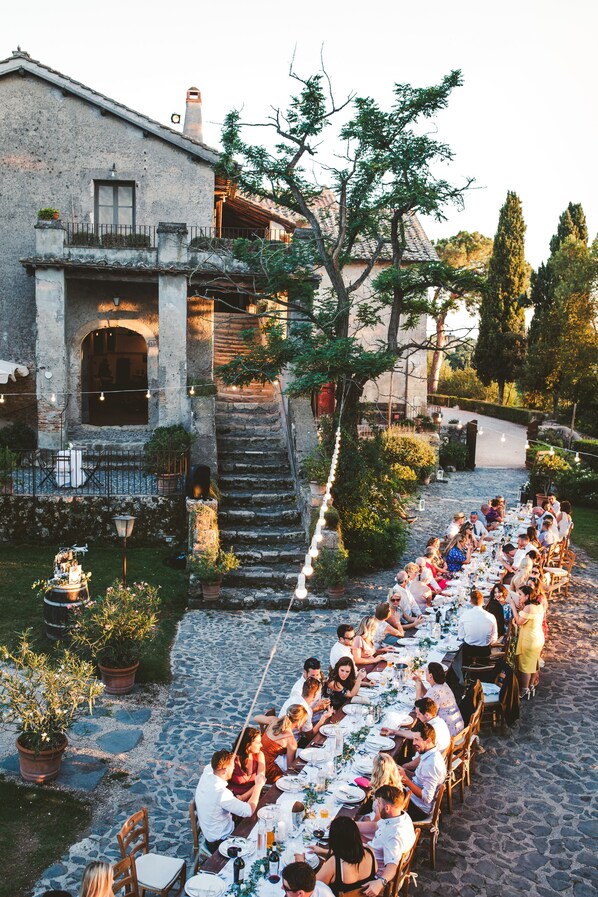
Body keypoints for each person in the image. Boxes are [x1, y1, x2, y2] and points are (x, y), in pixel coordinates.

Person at [195, 749, 265, 851]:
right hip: (221, 841)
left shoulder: (208, 773)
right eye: (232, 766)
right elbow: (249, 810)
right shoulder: (221, 793)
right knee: (259, 831)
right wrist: (258, 786)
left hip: (211, 832)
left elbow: (211, 766)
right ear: (224, 770)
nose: (234, 768)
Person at [356, 785, 416, 894]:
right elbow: (375, 826)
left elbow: (392, 866)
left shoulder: (394, 836)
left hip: (371, 871)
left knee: (335, 863)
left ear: (387, 808)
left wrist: (380, 882)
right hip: (370, 851)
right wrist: (350, 825)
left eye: (378, 803)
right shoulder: (401, 816)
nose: (376, 806)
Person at [316, 816, 377, 897]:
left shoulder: (334, 863)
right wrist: (322, 851)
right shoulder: (370, 852)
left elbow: (313, 887)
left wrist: (301, 862)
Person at [398, 724, 447, 821]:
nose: (413, 743)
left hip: (418, 809)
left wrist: (405, 779)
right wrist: (404, 772)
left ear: (428, 740)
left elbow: (427, 797)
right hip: (412, 797)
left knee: (380, 796)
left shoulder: (431, 765)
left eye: (417, 739)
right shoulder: (431, 754)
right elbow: (420, 779)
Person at [255, 705, 308, 782]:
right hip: (266, 770)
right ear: (299, 722)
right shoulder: (291, 741)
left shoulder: (273, 720)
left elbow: (256, 717)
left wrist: (263, 729)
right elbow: (289, 767)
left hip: (256, 759)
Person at [509, 587, 545, 699]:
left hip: (529, 640)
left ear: (527, 596)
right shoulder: (538, 605)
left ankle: (524, 690)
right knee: (534, 663)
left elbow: (519, 621)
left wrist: (513, 607)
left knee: (525, 666)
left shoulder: (529, 608)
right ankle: (531, 686)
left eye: (520, 594)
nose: (518, 596)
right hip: (538, 637)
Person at [382, 697, 450, 755]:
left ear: (426, 715)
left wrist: (404, 766)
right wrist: (394, 732)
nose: (417, 716)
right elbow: (413, 734)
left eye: (419, 714)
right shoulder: (439, 721)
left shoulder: (431, 730)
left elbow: (418, 761)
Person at [413, 662, 464, 736]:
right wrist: (420, 683)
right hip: (458, 727)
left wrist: (418, 689)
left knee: (418, 727)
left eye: (426, 671)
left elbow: (419, 709)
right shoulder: (443, 685)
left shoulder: (434, 692)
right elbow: (427, 699)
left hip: (449, 733)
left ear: (430, 676)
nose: (425, 673)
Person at [457, 589, 498, 664]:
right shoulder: (491, 617)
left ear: (470, 602)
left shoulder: (464, 615)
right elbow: (494, 638)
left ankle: (463, 673)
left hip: (469, 651)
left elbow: (461, 637)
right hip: (484, 652)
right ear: (483, 601)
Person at [230, 727, 266, 799]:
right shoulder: (232, 759)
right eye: (258, 743)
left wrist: (243, 797)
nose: (261, 745)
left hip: (254, 796)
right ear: (248, 745)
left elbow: (260, 781)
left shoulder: (259, 755)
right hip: (234, 798)